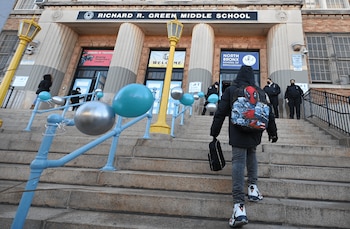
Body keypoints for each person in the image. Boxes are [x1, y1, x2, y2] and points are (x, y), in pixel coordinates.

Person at [210, 65, 278, 228]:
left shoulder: (232, 90)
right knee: (252, 154)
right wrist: (273, 133)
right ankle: (253, 188)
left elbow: (220, 112)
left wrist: (214, 132)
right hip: (255, 131)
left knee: (238, 161)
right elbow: (270, 113)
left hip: (237, 130)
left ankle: (239, 207)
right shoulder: (261, 92)